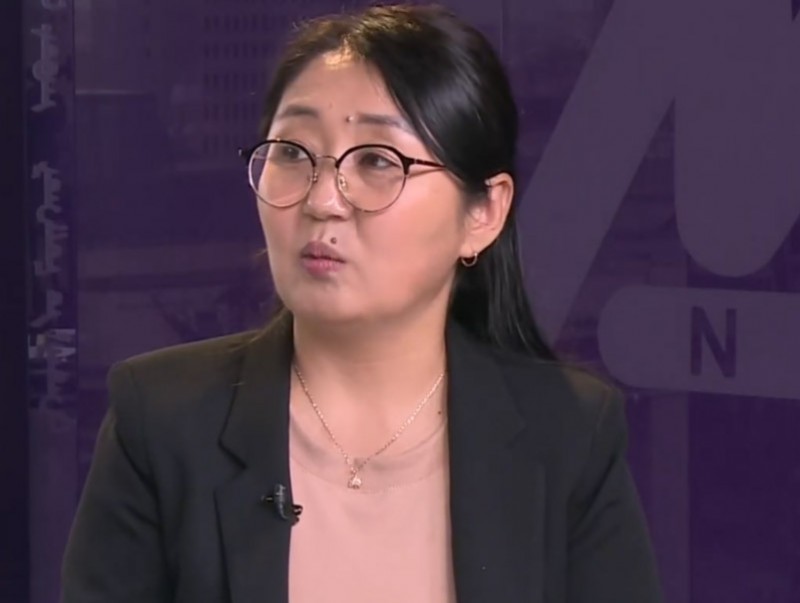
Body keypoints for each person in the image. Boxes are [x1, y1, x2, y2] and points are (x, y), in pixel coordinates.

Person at [61, 4, 662, 602]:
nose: (323, 200)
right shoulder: (161, 421)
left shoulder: (570, 435)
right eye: (291, 152)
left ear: (483, 213)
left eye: (377, 161)